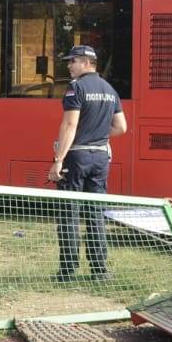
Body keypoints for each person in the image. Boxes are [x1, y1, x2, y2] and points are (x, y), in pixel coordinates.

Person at [47, 44, 126, 281]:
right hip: (101, 157)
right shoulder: (110, 89)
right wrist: (98, 133)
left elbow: (70, 125)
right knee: (95, 213)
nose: (69, 65)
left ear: (86, 62)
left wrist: (58, 160)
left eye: (73, 61)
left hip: (78, 156)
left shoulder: (76, 88)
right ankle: (99, 270)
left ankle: (68, 271)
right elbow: (121, 127)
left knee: (69, 213)